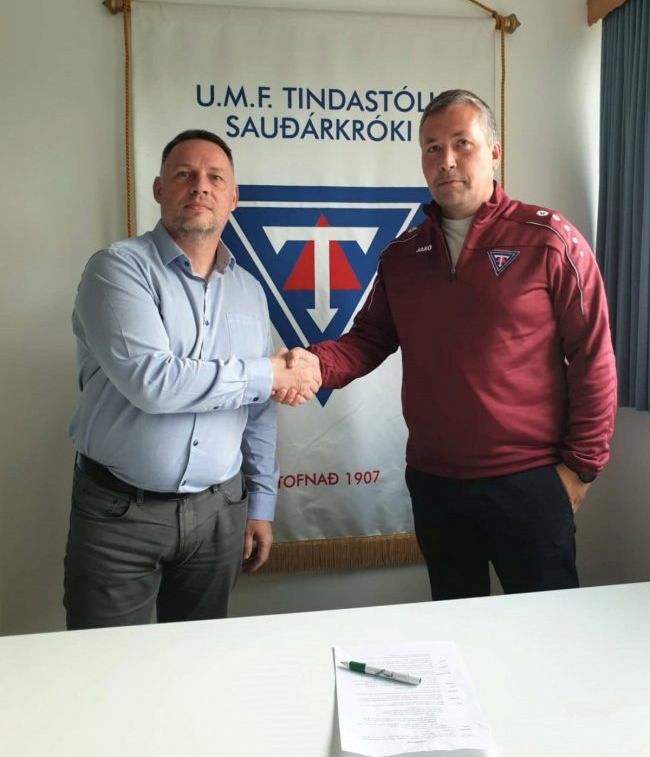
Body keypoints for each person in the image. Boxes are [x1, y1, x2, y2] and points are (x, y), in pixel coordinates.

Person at [278, 90, 617, 600]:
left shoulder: (548, 239)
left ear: (494, 152)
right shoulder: (401, 255)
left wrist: (581, 469)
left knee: (549, 631)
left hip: (531, 482)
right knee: (456, 628)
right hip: (436, 485)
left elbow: (593, 355)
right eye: (432, 148)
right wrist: (313, 365)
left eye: (462, 143)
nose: (447, 160)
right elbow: (369, 339)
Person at [65, 129, 319, 629]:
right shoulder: (116, 270)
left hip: (220, 514)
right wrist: (269, 372)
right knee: (104, 663)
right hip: (119, 515)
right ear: (159, 189)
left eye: (215, 177)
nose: (200, 186)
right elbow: (153, 382)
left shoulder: (249, 291)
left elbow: (258, 411)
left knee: (199, 660)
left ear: (233, 197)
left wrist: (260, 503)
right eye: (184, 175)